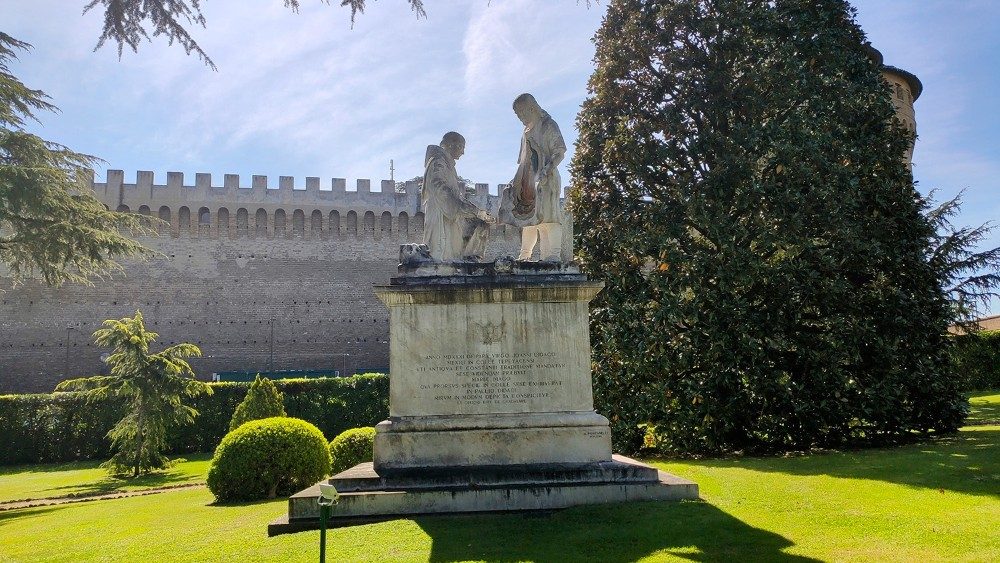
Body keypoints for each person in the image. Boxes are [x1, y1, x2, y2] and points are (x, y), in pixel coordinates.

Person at [499, 93, 567, 261]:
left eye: (521, 113)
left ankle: (554, 255)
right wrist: (515, 181)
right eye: (518, 115)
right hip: (527, 181)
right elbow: (522, 161)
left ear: (532, 108)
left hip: (547, 179)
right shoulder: (525, 132)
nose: (520, 118)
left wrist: (546, 170)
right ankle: (525, 256)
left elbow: (559, 152)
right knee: (528, 220)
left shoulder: (548, 125)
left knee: (550, 218)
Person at [421, 132, 495, 261]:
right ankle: (463, 260)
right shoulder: (438, 161)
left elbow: (456, 195)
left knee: (480, 223)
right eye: (462, 147)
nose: (463, 152)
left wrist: (476, 211)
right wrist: (468, 209)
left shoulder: (446, 163)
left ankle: (469, 259)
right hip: (441, 213)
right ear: (450, 145)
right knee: (443, 256)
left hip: (449, 213)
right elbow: (440, 189)